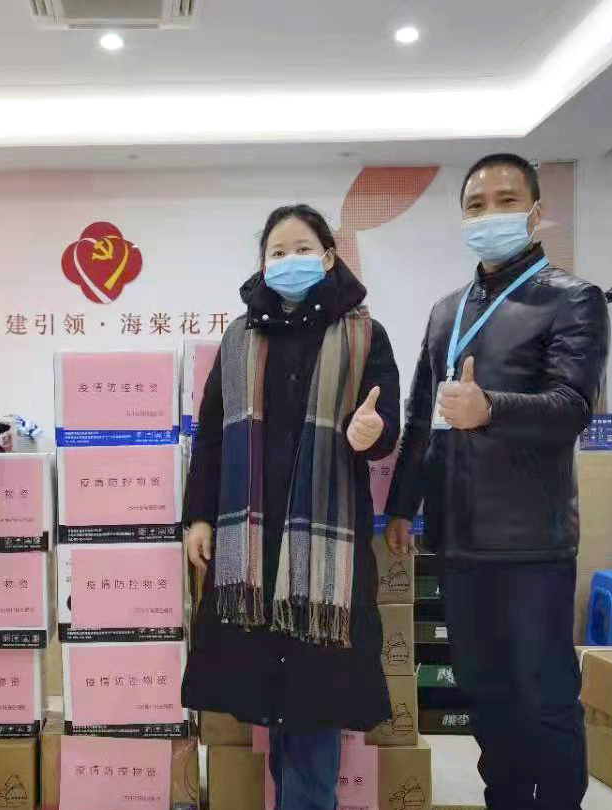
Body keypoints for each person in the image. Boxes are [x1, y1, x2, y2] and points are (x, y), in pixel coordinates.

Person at [385, 154, 609, 810]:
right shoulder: (446, 311)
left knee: (546, 695)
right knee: (484, 691)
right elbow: (419, 419)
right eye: (476, 205)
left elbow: (573, 407)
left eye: (506, 201)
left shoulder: (572, 299)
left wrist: (491, 409)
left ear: (536, 213)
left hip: (533, 540)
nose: (490, 215)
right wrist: (401, 506)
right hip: (458, 538)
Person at [183, 205, 401, 810]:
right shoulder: (239, 338)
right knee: (276, 698)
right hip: (254, 542)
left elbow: (385, 429)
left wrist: (372, 433)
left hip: (326, 549)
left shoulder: (365, 335)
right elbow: (211, 435)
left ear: (329, 256)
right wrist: (198, 516)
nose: (289, 261)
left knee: (314, 698)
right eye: (277, 252)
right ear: (262, 264)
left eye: (302, 248)